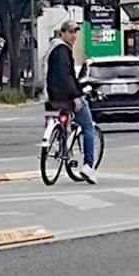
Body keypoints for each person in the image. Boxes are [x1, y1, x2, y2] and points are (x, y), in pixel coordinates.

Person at [45, 20, 97, 184]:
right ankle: (88, 166)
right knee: (88, 127)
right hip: (66, 96)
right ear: (62, 33)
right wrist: (76, 95)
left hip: (54, 96)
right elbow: (66, 77)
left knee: (65, 121)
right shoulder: (62, 50)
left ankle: (61, 142)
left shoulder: (54, 49)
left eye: (76, 31)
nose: (74, 35)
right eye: (70, 32)